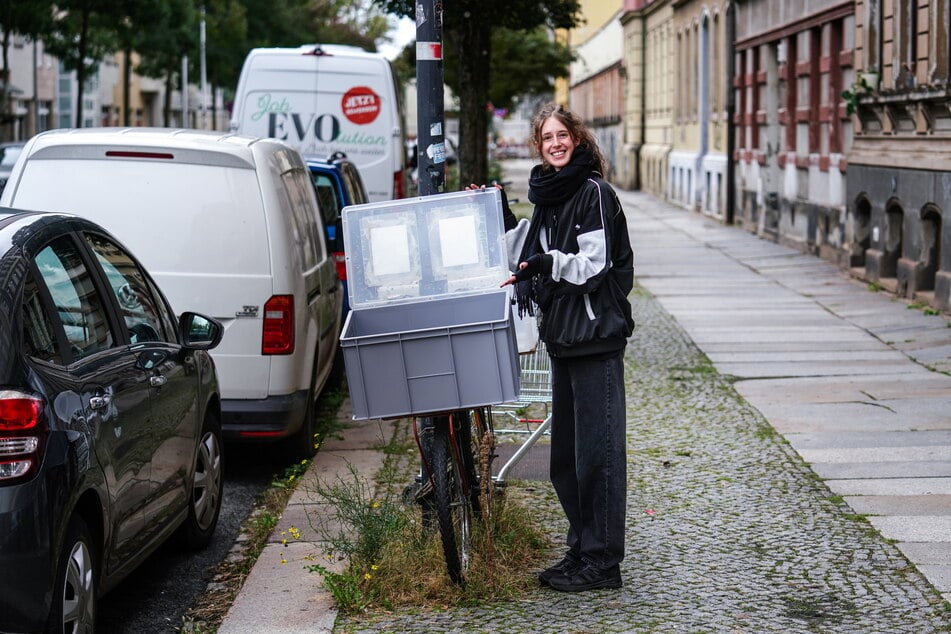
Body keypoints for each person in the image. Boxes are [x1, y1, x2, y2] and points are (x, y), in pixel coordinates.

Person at [499, 102, 634, 592]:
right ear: (539, 146)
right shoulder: (549, 197)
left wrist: (547, 262)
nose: (555, 143)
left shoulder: (594, 192)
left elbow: (593, 266)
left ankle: (602, 564)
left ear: (576, 139)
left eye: (562, 135)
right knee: (566, 462)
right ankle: (583, 547)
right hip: (564, 339)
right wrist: (493, 208)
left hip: (595, 340)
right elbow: (523, 248)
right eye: (546, 138)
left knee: (598, 456)